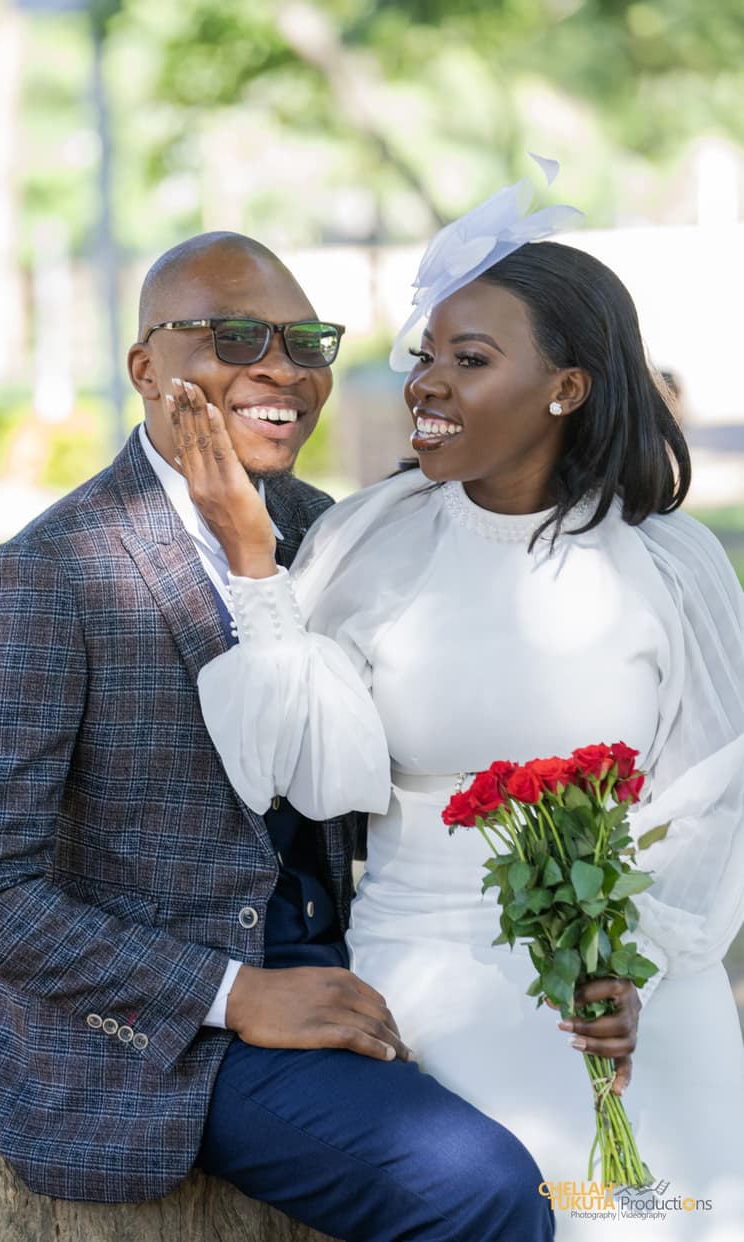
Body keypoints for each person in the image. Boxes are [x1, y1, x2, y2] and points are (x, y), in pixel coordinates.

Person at [0, 231, 555, 1241]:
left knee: (606, 1139)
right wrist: (231, 993)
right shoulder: (56, 569)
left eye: (306, 341)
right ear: (145, 367)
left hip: (373, 968)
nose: (282, 368)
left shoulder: (328, 531)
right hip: (164, 1045)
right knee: (473, 1184)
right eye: (235, 336)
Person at [191, 176, 744, 1241]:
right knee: (523, 1199)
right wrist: (259, 570)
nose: (426, 385)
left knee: (660, 1213)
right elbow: (302, 769)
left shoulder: (668, 562)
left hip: (626, 978)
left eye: (470, 360)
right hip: (426, 970)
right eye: (426, 356)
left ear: (568, 388)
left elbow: (715, 793)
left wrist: (637, 970)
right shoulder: (372, 542)